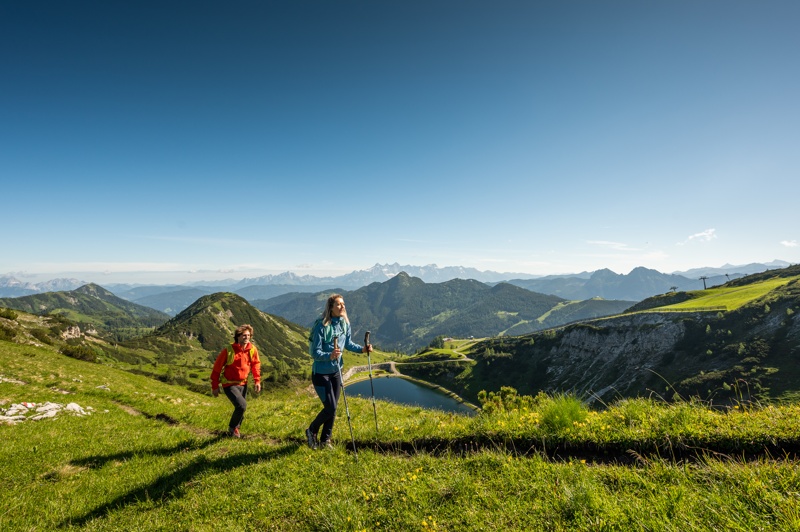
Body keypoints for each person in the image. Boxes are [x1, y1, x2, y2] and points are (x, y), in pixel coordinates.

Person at [305, 294, 372, 449]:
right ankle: (311, 430)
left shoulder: (344, 323)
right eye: (339, 304)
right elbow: (314, 352)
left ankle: (325, 440)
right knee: (330, 407)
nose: (343, 307)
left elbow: (347, 343)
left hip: (337, 371)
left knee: (333, 407)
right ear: (330, 308)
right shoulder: (321, 326)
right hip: (321, 374)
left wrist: (362, 349)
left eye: (343, 304)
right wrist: (330, 355)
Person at [210, 324, 261, 438]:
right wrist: (215, 386)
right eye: (244, 335)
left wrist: (257, 381)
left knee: (241, 407)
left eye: (248, 335)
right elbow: (217, 368)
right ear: (238, 336)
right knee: (242, 405)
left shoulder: (252, 349)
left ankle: (235, 430)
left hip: (243, 383)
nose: (247, 338)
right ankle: (232, 428)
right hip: (229, 384)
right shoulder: (228, 350)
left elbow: (256, 365)